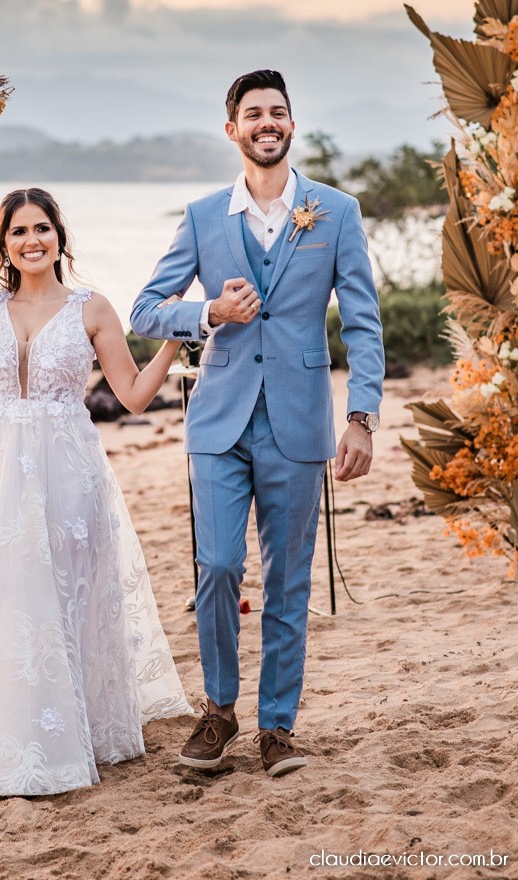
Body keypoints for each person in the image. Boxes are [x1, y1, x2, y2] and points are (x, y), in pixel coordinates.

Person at [0, 116, 191, 797]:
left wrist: (179, 340)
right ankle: (8, 729)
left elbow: (133, 396)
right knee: (5, 591)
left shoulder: (91, 308)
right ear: (4, 244)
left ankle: (73, 726)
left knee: (65, 593)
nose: (30, 239)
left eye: (41, 228)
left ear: (59, 237)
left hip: (67, 467)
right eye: (17, 231)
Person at [131, 70, 384, 777]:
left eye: (277, 112)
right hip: (218, 421)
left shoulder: (334, 212)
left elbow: (362, 323)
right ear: (232, 129)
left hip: (300, 424)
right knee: (215, 567)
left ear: (291, 125)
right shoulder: (204, 216)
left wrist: (361, 416)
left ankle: (277, 727)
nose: (265, 122)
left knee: (288, 581)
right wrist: (206, 313)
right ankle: (217, 710)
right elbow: (145, 309)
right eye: (252, 113)